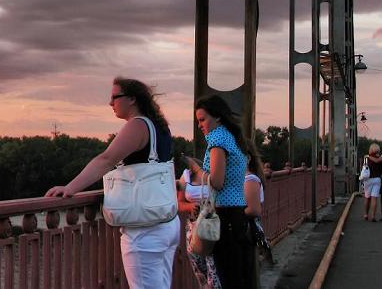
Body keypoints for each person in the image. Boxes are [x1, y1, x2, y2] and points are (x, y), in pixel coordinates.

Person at [46, 78, 179, 288]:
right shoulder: (159, 127)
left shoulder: (138, 125)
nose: (110, 103)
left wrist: (70, 188)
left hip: (144, 230)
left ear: (132, 99)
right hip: (165, 223)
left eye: (115, 97)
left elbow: (106, 160)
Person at [183, 95, 256, 289]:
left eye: (202, 119)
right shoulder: (232, 138)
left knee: (225, 277)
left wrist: (198, 170)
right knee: (237, 276)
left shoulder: (218, 139)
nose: (200, 125)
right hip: (237, 215)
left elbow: (217, 181)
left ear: (218, 117)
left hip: (224, 218)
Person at [243, 146, 274, 266]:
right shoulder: (248, 178)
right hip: (249, 228)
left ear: (248, 158)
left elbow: (254, 209)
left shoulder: (250, 179)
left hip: (246, 229)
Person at [362, 144, 382, 221]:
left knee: (367, 198)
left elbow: (364, 168)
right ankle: (373, 216)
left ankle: (366, 214)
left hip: (368, 179)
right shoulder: (380, 158)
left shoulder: (366, 158)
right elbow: (381, 169)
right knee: (374, 198)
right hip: (377, 179)